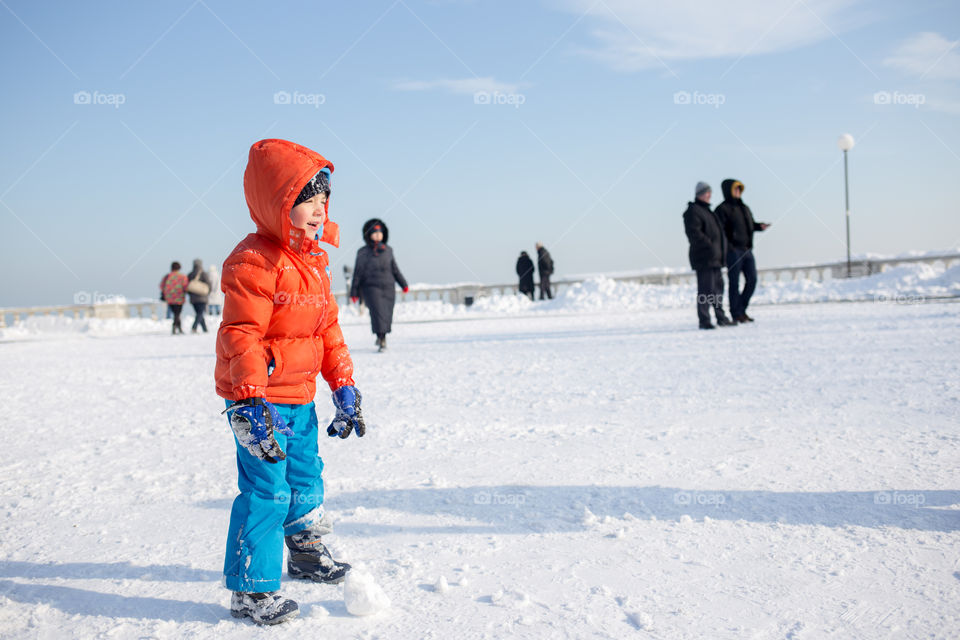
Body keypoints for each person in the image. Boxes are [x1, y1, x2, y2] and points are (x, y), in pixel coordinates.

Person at [215, 138, 364, 626]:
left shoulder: (314, 261)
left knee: (306, 477)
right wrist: (250, 400)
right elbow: (242, 335)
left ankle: (304, 551)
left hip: (301, 398)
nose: (320, 210)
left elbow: (327, 330)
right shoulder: (253, 261)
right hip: (260, 403)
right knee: (267, 490)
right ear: (279, 203)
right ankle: (251, 590)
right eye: (308, 200)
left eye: (324, 200)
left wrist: (343, 385)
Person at [350, 218, 408, 352]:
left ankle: (381, 335)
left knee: (387, 314)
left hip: (388, 286)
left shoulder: (388, 250)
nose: (377, 235)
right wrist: (354, 292)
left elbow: (395, 269)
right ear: (368, 235)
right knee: (377, 313)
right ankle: (382, 339)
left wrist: (403, 284)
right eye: (374, 233)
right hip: (371, 288)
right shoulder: (362, 252)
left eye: (380, 233)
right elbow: (357, 273)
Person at [716, 179, 770, 323]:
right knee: (734, 283)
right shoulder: (722, 209)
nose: (738, 192)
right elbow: (720, 232)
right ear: (728, 191)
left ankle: (741, 309)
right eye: (735, 189)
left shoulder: (744, 208)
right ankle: (736, 313)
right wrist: (729, 248)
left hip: (747, 250)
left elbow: (750, 225)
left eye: (740, 190)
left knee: (752, 280)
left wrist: (759, 226)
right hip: (733, 252)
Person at [683, 182, 735, 330]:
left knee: (718, 289)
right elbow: (695, 234)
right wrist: (710, 246)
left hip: (716, 259)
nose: (709, 195)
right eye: (707, 193)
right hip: (704, 258)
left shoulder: (708, 211)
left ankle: (721, 317)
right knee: (705, 290)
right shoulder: (693, 211)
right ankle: (704, 320)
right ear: (700, 193)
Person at [160, 262, 188, 334]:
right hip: (179, 298)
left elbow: (161, 286)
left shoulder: (167, 277)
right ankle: (175, 327)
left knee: (176, 314)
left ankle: (179, 328)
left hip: (170, 298)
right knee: (177, 313)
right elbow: (186, 287)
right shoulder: (182, 277)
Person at [186, 258, 212, 333]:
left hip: (193, 299)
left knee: (199, 313)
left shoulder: (190, 274)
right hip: (202, 298)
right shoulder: (204, 274)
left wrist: (191, 295)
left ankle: (205, 329)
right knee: (200, 313)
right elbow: (209, 285)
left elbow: (187, 287)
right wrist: (207, 293)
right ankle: (194, 327)